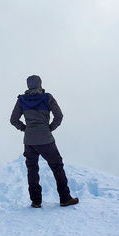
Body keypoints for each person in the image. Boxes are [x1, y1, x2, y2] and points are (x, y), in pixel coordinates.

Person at [10, 75, 79, 208]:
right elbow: (59, 116)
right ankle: (65, 198)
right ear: (40, 84)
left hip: (29, 141)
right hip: (46, 140)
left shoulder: (22, 100)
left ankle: (36, 202)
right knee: (57, 166)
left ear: (28, 85)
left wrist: (25, 128)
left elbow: (13, 120)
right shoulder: (47, 97)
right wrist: (49, 128)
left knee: (32, 170)